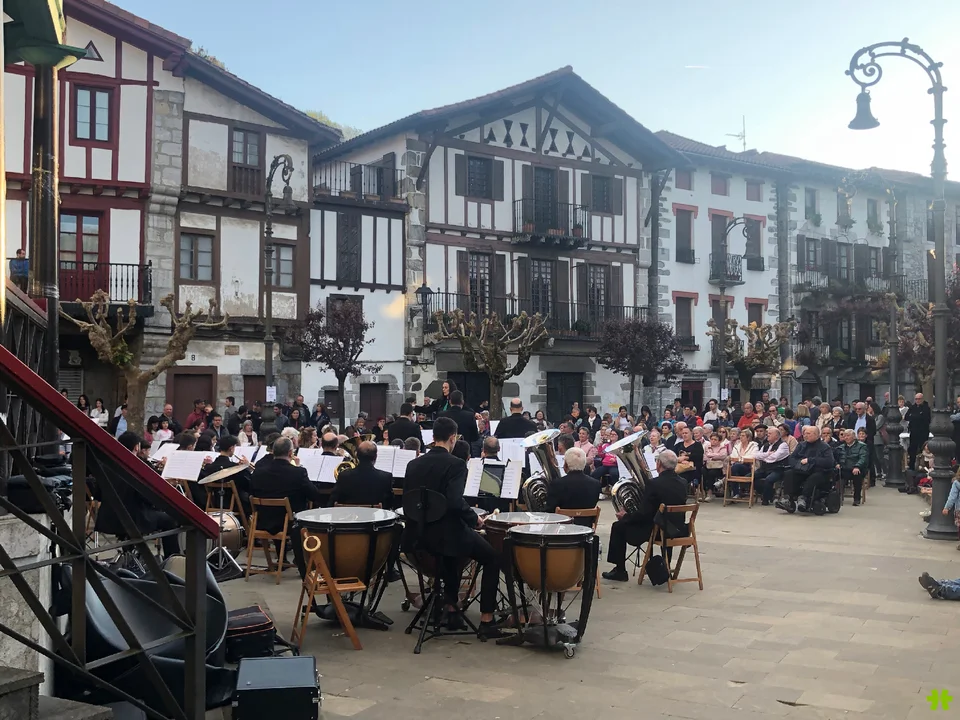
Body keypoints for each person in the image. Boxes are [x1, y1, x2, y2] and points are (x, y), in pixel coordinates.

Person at [401, 416, 504, 639]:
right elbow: (455, 502)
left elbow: (408, 501)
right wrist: (475, 520)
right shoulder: (456, 464)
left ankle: (451, 608)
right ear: (452, 438)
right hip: (446, 535)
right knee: (492, 558)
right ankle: (487, 620)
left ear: (433, 437)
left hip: (418, 534)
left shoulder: (413, 464)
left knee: (452, 550)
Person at [602, 450, 688, 581]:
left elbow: (644, 514)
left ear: (658, 464)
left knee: (618, 526)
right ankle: (666, 564)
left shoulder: (654, 484)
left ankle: (620, 571)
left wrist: (626, 516)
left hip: (657, 530)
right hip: (678, 529)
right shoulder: (683, 482)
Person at [249, 436, 325, 578]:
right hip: (291, 524)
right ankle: (303, 562)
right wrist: (299, 467)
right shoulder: (298, 472)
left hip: (263, 521)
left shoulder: (258, 472)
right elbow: (314, 495)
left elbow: (251, 493)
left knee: (280, 511)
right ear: (290, 453)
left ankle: (281, 558)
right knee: (301, 514)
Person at [105, 431, 181, 557]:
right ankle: (173, 558)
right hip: (135, 517)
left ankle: (130, 552)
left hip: (110, 517)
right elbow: (147, 496)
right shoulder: (137, 466)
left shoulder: (109, 464)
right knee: (171, 519)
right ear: (137, 447)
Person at [776, 425, 836, 513]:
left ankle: (804, 497)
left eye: (808, 433)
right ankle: (788, 498)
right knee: (789, 473)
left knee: (813, 478)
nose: (805, 435)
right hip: (802, 470)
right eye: (804, 434)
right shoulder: (801, 445)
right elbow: (792, 458)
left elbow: (829, 462)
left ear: (816, 435)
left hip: (819, 471)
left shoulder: (824, 447)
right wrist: (798, 464)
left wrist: (810, 460)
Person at [330, 441, 394, 508]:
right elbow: (389, 504)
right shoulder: (386, 477)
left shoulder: (343, 476)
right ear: (376, 457)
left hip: (349, 514)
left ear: (357, 455)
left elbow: (333, 501)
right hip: (375, 515)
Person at [545, 447, 601, 523]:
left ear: (566, 464)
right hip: (586, 527)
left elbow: (549, 511)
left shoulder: (557, 484)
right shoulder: (596, 484)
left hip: (561, 527)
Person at [754, 426, 791, 506]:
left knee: (769, 479)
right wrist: (767, 454)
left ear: (776, 436)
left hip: (778, 469)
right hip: (764, 468)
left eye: (770, 433)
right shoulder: (766, 445)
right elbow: (756, 456)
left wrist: (764, 457)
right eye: (768, 433)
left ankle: (766, 499)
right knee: (751, 477)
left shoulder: (783, 445)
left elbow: (774, 457)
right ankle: (766, 493)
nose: (767, 435)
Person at [837, 428, 869, 506]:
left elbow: (863, 458)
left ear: (854, 437)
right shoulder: (841, 447)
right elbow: (836, 457)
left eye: (848, 435)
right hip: (844, 468)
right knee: (835, 473)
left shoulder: (862, 446)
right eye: (844, 436)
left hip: (857, 468)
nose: (846, 437)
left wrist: (857, 466)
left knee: (857, 475)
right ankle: (837, 497)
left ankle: (857, 498)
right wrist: (837, 464)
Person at [728, 428, 758, 499]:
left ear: (748, 437)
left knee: (734, 467)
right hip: (737, 466)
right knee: (734, 468)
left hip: (749, 467)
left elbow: (753, 456)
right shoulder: (737, 446)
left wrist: (740, 459)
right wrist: (741, 459)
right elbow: (733, 456)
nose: (741, 437)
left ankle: (736, 493)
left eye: (743, 436)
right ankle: (737, 492)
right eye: (740, 435)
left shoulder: (754, 446)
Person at [905, 392, 932, 470]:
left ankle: (923, 466)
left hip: (923, 432)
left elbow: (925, 418)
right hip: (913, 431)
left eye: (919, 399)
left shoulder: (926, 407)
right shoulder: (912, 407)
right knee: (912, 449)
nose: (917, 400)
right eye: (916, 399)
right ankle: (912, 466)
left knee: (922, 449)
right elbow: (906, 417)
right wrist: (917, 416)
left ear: (922, 399)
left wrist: (913, 416)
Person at [703, 432, 729, 497]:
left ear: (719, 441)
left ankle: (710, 492)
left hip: (719, 467)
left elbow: (722, 456)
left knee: (711, 473)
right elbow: (704, 457)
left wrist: (711, 456)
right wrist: (715, 456)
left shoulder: (723, 447)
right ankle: (703, 491)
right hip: (708, 465)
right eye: (712, 439)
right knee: (703, 471)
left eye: (715, 440)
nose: (713, 441)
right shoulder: (707, 447)